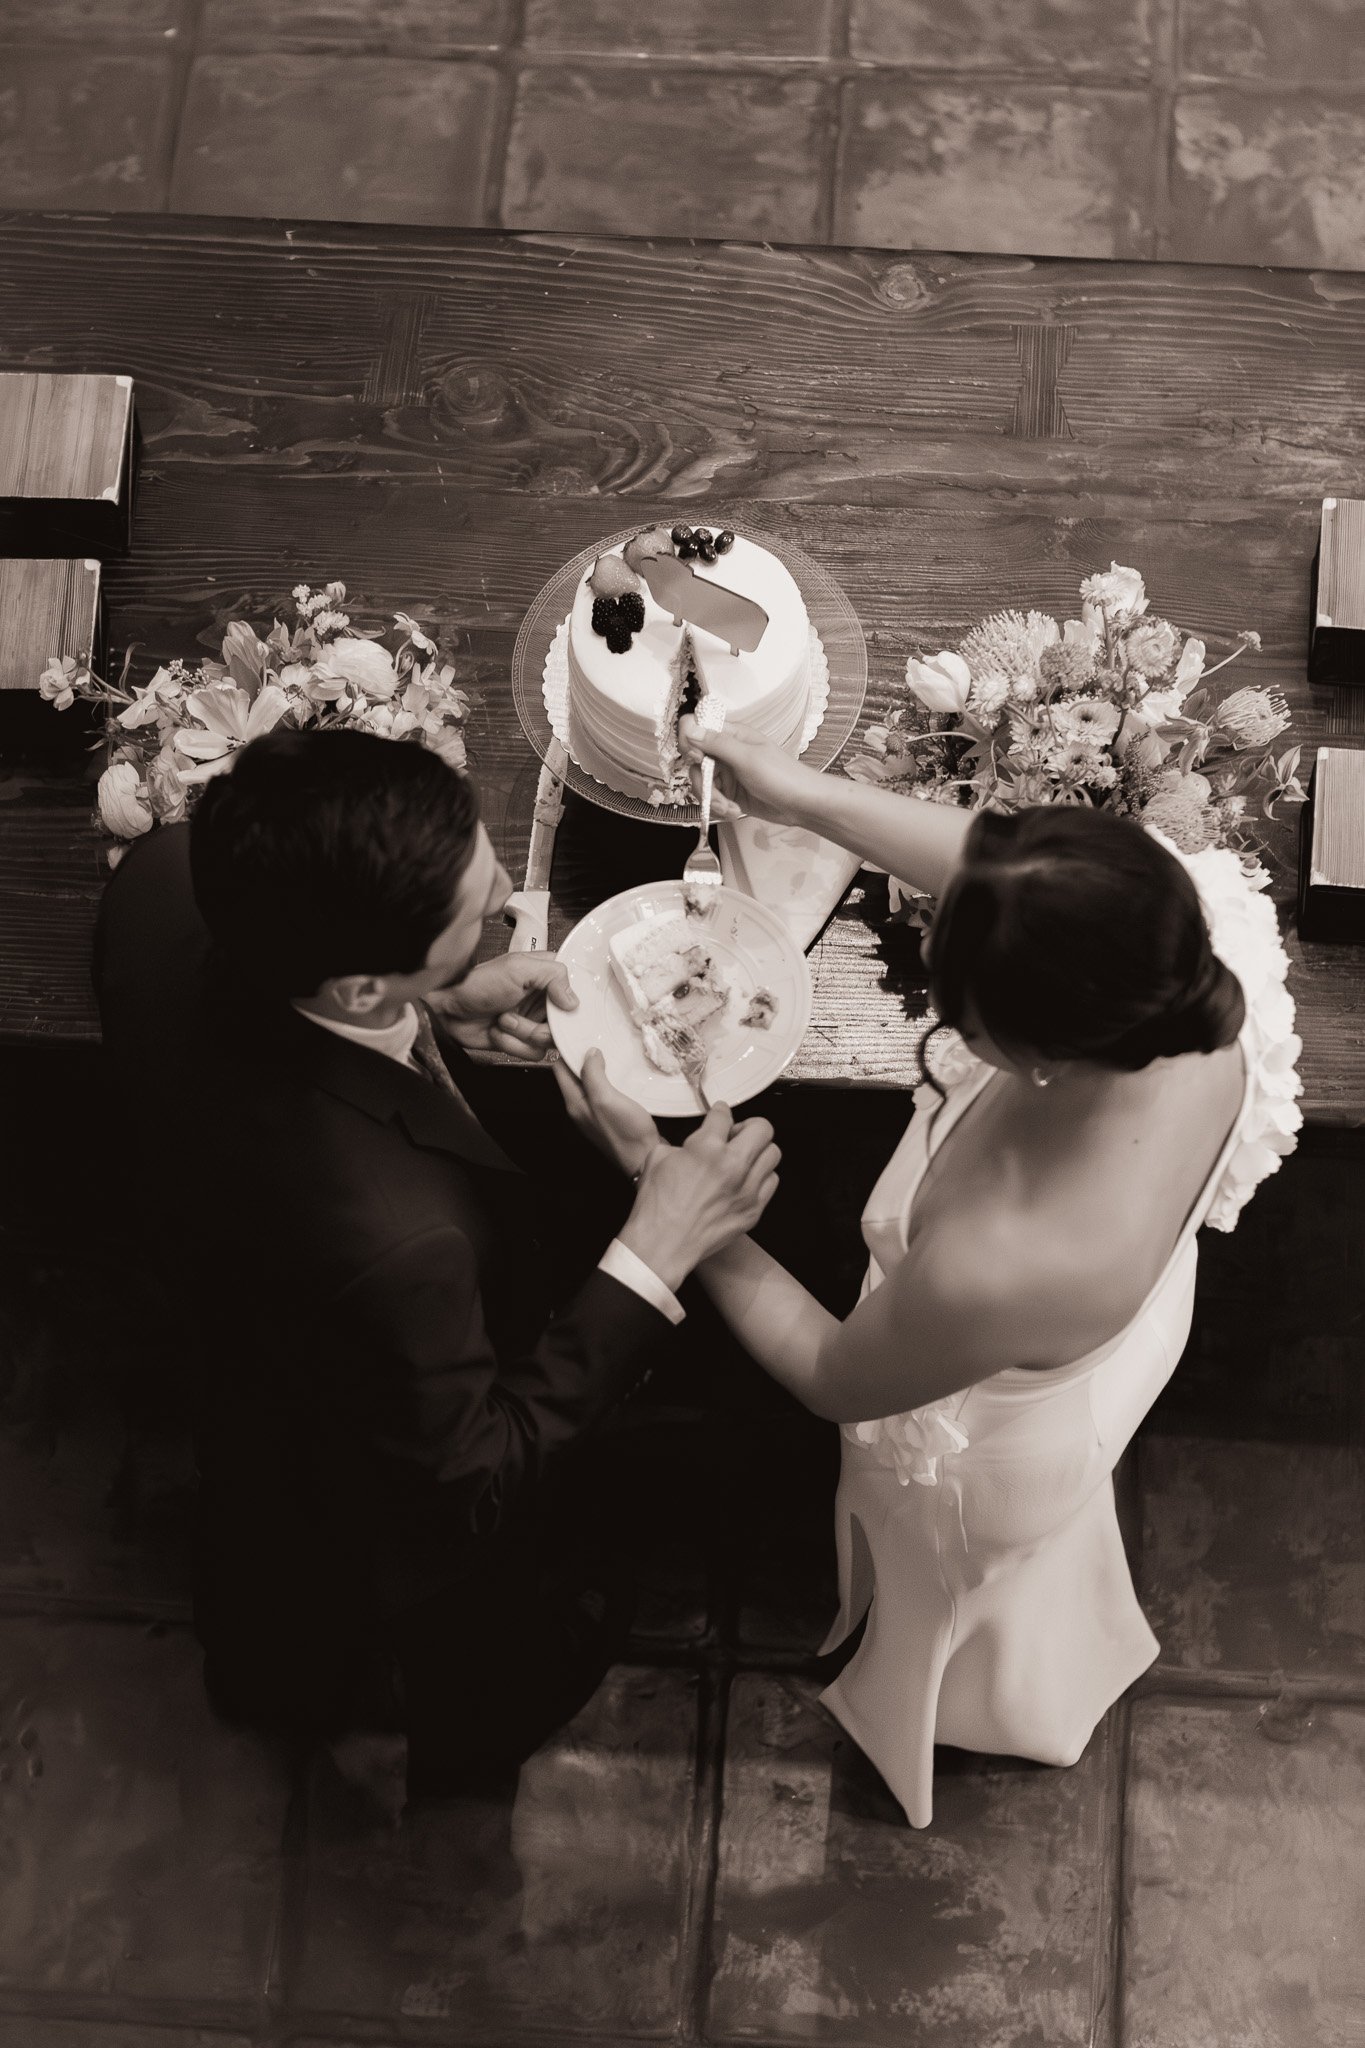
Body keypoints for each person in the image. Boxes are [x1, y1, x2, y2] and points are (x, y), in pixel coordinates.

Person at [563, 715, 1302, 1828]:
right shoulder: (1176, 937)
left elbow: (825, 1367)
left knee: (940, 1570)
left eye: (961, 1010)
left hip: (978, 1428)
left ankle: (956, 1694)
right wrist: (794, 791)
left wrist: (663, 1186)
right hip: (1115, 1314)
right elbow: (1002, 871)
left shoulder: (1007, 1256)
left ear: (1039, 1056)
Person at [93, 726, 780, 1804]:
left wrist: (436, 1001)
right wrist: (656, 1248)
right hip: (344, 1455)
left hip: (220, 1244)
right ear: (360, 988)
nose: (510, 902)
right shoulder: (400, 1242)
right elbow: (472, 1484)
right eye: (476, 914)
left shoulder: (168, 873)